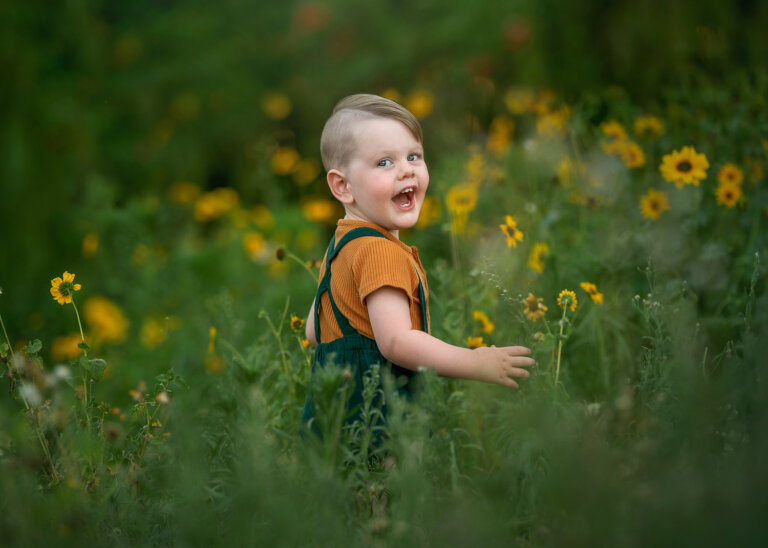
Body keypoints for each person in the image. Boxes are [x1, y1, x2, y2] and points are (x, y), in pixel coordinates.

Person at [301, 93, 534, 439]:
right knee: (389, 492)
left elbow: (314, 330)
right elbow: (396, 343)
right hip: (375, 424)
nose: (407, 169)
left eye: (413, 156)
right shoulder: (380, 252)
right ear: (343, 186)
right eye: (384, 163)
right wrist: (475, 362)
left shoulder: (341, 246)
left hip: (330, 420)